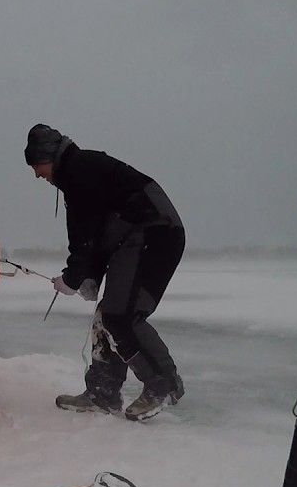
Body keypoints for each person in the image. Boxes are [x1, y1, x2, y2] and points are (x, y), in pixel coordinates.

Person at [24, 123, 186, 421]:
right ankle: (102, 392)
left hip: (154, 234)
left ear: (50, 156)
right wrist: (90, 277)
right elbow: (99, 236)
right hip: (137, 238)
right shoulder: (79, 171)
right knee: (107, 316)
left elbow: (85, 235)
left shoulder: (79, 172)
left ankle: (161, 384)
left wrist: (73, 278)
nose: (36, 173)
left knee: (120, 316)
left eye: (37, 165)